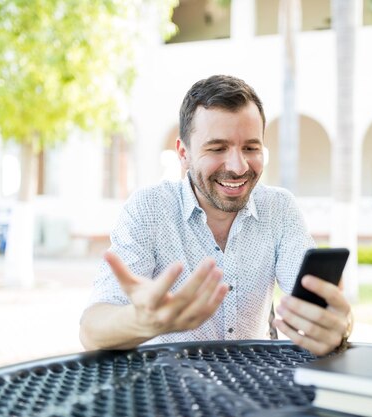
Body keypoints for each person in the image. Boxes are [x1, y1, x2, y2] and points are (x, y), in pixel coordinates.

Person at [79, 75, 352, 355]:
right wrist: (141, 322)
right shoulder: (149, 208)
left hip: (255, 384)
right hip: (170, 389)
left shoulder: (279, 208)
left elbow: (319, 307)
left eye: (251, 148)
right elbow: (91, 330)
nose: (237, 166)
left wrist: (336, 325)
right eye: (217, 148)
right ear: (183, 153)